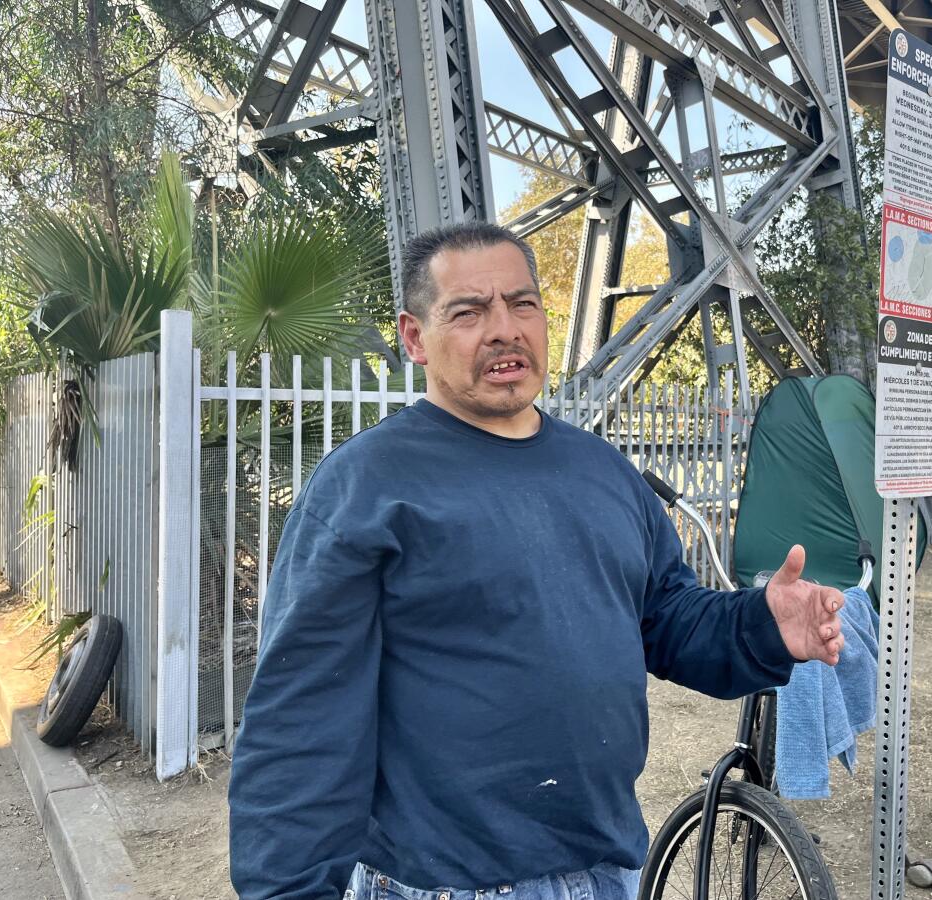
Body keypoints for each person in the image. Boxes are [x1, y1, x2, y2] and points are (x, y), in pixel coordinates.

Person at [227, 222, 846, 900]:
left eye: (522, 304)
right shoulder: (365, 488)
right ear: (414, 337)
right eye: (468, 311)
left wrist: (762, 624)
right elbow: (300, 722)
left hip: (605, 874)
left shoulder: (604, 472)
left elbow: (666, 618)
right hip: (443, 887)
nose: (504, 329)